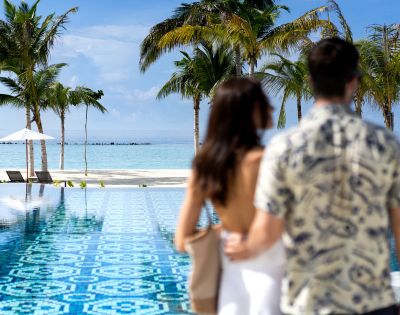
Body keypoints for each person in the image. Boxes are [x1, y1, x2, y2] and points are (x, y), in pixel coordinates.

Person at [226, 37, 400, 315]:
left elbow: (266, 234)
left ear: (310, 81)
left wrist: (242, 247)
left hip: (309, 303)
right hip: (373, 302)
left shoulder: (284, 148)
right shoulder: (386, 144)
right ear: (353, 81)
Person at [175, 78, 286, 315]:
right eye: (264, 102)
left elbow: (181, 240)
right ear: (250, 111)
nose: (271, 108)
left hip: (231, 274)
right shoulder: (267, 161)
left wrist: (222, 230)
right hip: (275, 269)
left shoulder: (204, 166)